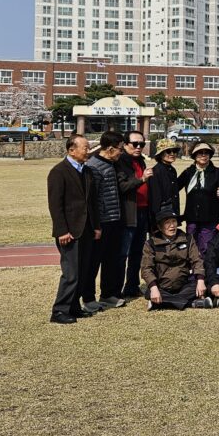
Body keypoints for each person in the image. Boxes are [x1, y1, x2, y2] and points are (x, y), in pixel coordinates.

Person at [47, 134, 99, 324]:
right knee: (71, 273)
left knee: (83, 271)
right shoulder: (58, 172)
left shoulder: (87, 171)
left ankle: (74, 307)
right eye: (85, 148)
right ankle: (59, 311)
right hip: (69, 231)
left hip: (86, 230)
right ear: (71, 150)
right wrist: (62, 230)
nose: (88, 151)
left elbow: (92, 203)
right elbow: (55, 205)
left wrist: (96, 227)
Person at [83, 131, 127, 310]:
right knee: (93, 262)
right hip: (101, 223)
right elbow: (92, 199)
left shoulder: (113, 164)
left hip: (115, 220)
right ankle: (88, 298)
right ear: (109, 148)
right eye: (120, 149)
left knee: (111, 260)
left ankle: (108, 294)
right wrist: (96, 225)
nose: (121, 152)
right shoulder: (94, 166)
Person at [141, 209, 211, 311]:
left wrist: (200, 280)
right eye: (167, 222)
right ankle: (192, 303)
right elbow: (146, 269)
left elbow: (197, 260)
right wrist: (154, 288)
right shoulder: (150, 243)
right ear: (159, 227)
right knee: (149, 292)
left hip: (184, 285)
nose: (172, 225)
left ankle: (160, 303)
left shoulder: (188, 238)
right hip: (162, 287)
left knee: (204, 284)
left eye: (174, 221)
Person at [118, 130, 154, 299]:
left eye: (142, 144)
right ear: (125, 145)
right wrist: (142, 179)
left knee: (137, 252)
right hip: (128, 213)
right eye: (135, 144)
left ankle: (131, 286)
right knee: (122, 253)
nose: (139, 147)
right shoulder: (121, 161)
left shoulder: (140, 161)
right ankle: (114, 290)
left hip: (143, 212)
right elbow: (123, 186)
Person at [178, 142, 219, 256]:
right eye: (200, 153)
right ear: (194, 155)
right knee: (191, 248)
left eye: (206, 153)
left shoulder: (216, 172)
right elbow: (174, 188)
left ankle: (206, 268)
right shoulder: (188, 172)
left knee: (207, 249)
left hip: (210, 219)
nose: (203, 155)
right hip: (191, 218)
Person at [147, 137, 180, 222]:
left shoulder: (172, 170)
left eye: (174, 151)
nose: (172, 154)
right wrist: (157, 219)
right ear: (161, 154)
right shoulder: (156, 171)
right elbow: (155, 198)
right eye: (168, 151)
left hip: (172, 212)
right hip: (162, 215)